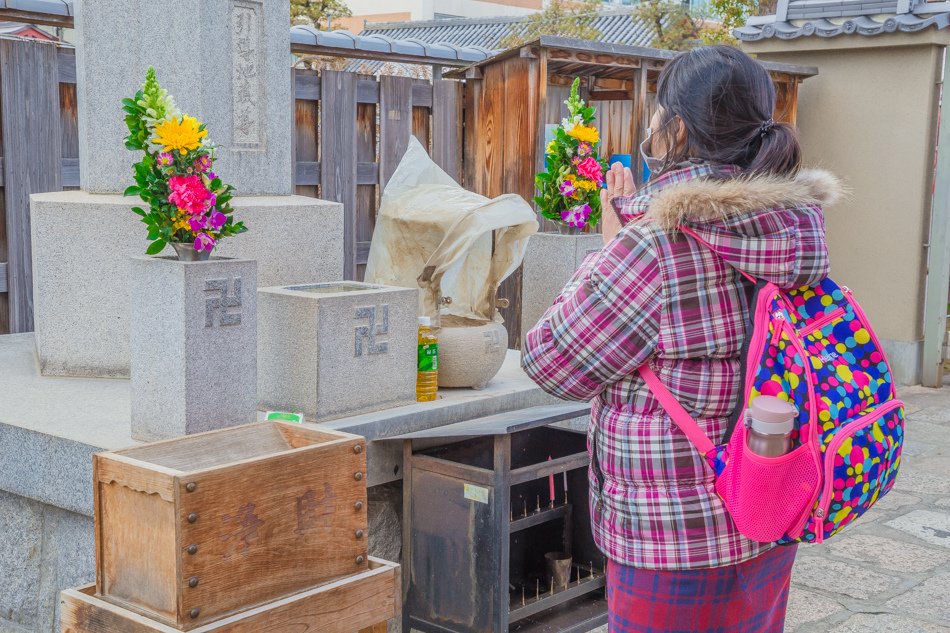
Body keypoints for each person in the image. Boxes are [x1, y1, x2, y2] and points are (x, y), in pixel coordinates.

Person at [521, 45, 842, 632]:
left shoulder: (654, 244)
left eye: (656, 115)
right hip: (770, 507)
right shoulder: (795, 232)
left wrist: (611, 243)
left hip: (673, 540)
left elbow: (550, 361)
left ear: (675, 129)